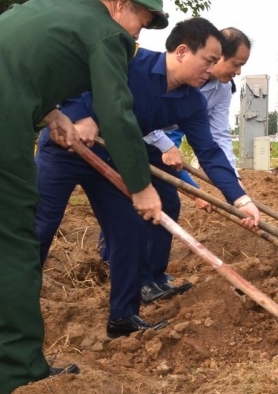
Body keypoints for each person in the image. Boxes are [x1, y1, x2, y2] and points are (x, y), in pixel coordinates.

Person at [35, 18, 261, 338]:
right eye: (208, 61)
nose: (212, 71)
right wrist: (80, 112)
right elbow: (75, 78)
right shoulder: (129, 61)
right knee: (40, 227)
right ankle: (15, 311)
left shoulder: (191, 101)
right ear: (182, 51)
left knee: (128, 231)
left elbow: (210, 152)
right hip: (64, 147)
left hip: (113, 158)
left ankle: (123, 317)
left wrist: (241, 198)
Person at [0, 0, 168, 394]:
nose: (139, 34)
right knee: (16, 242)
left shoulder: (51, 6)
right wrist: (140, 186)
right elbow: (116, 111)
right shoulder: (107, 34)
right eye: (143, 22)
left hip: (15, 106)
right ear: (121, 5)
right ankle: (17, 371)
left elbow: (23, 63)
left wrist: (51, 112)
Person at [142, 26, 252, 214]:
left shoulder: (223, 89)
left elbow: (218, 136)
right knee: (128, 205)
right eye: (236, 64)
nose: (239, 72)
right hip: (139, 136)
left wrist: (233, 181)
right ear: (218, 55)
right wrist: (195, 192)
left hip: (171, 134)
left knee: (168, 205)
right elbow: (139, 115)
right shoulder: (177, 74)